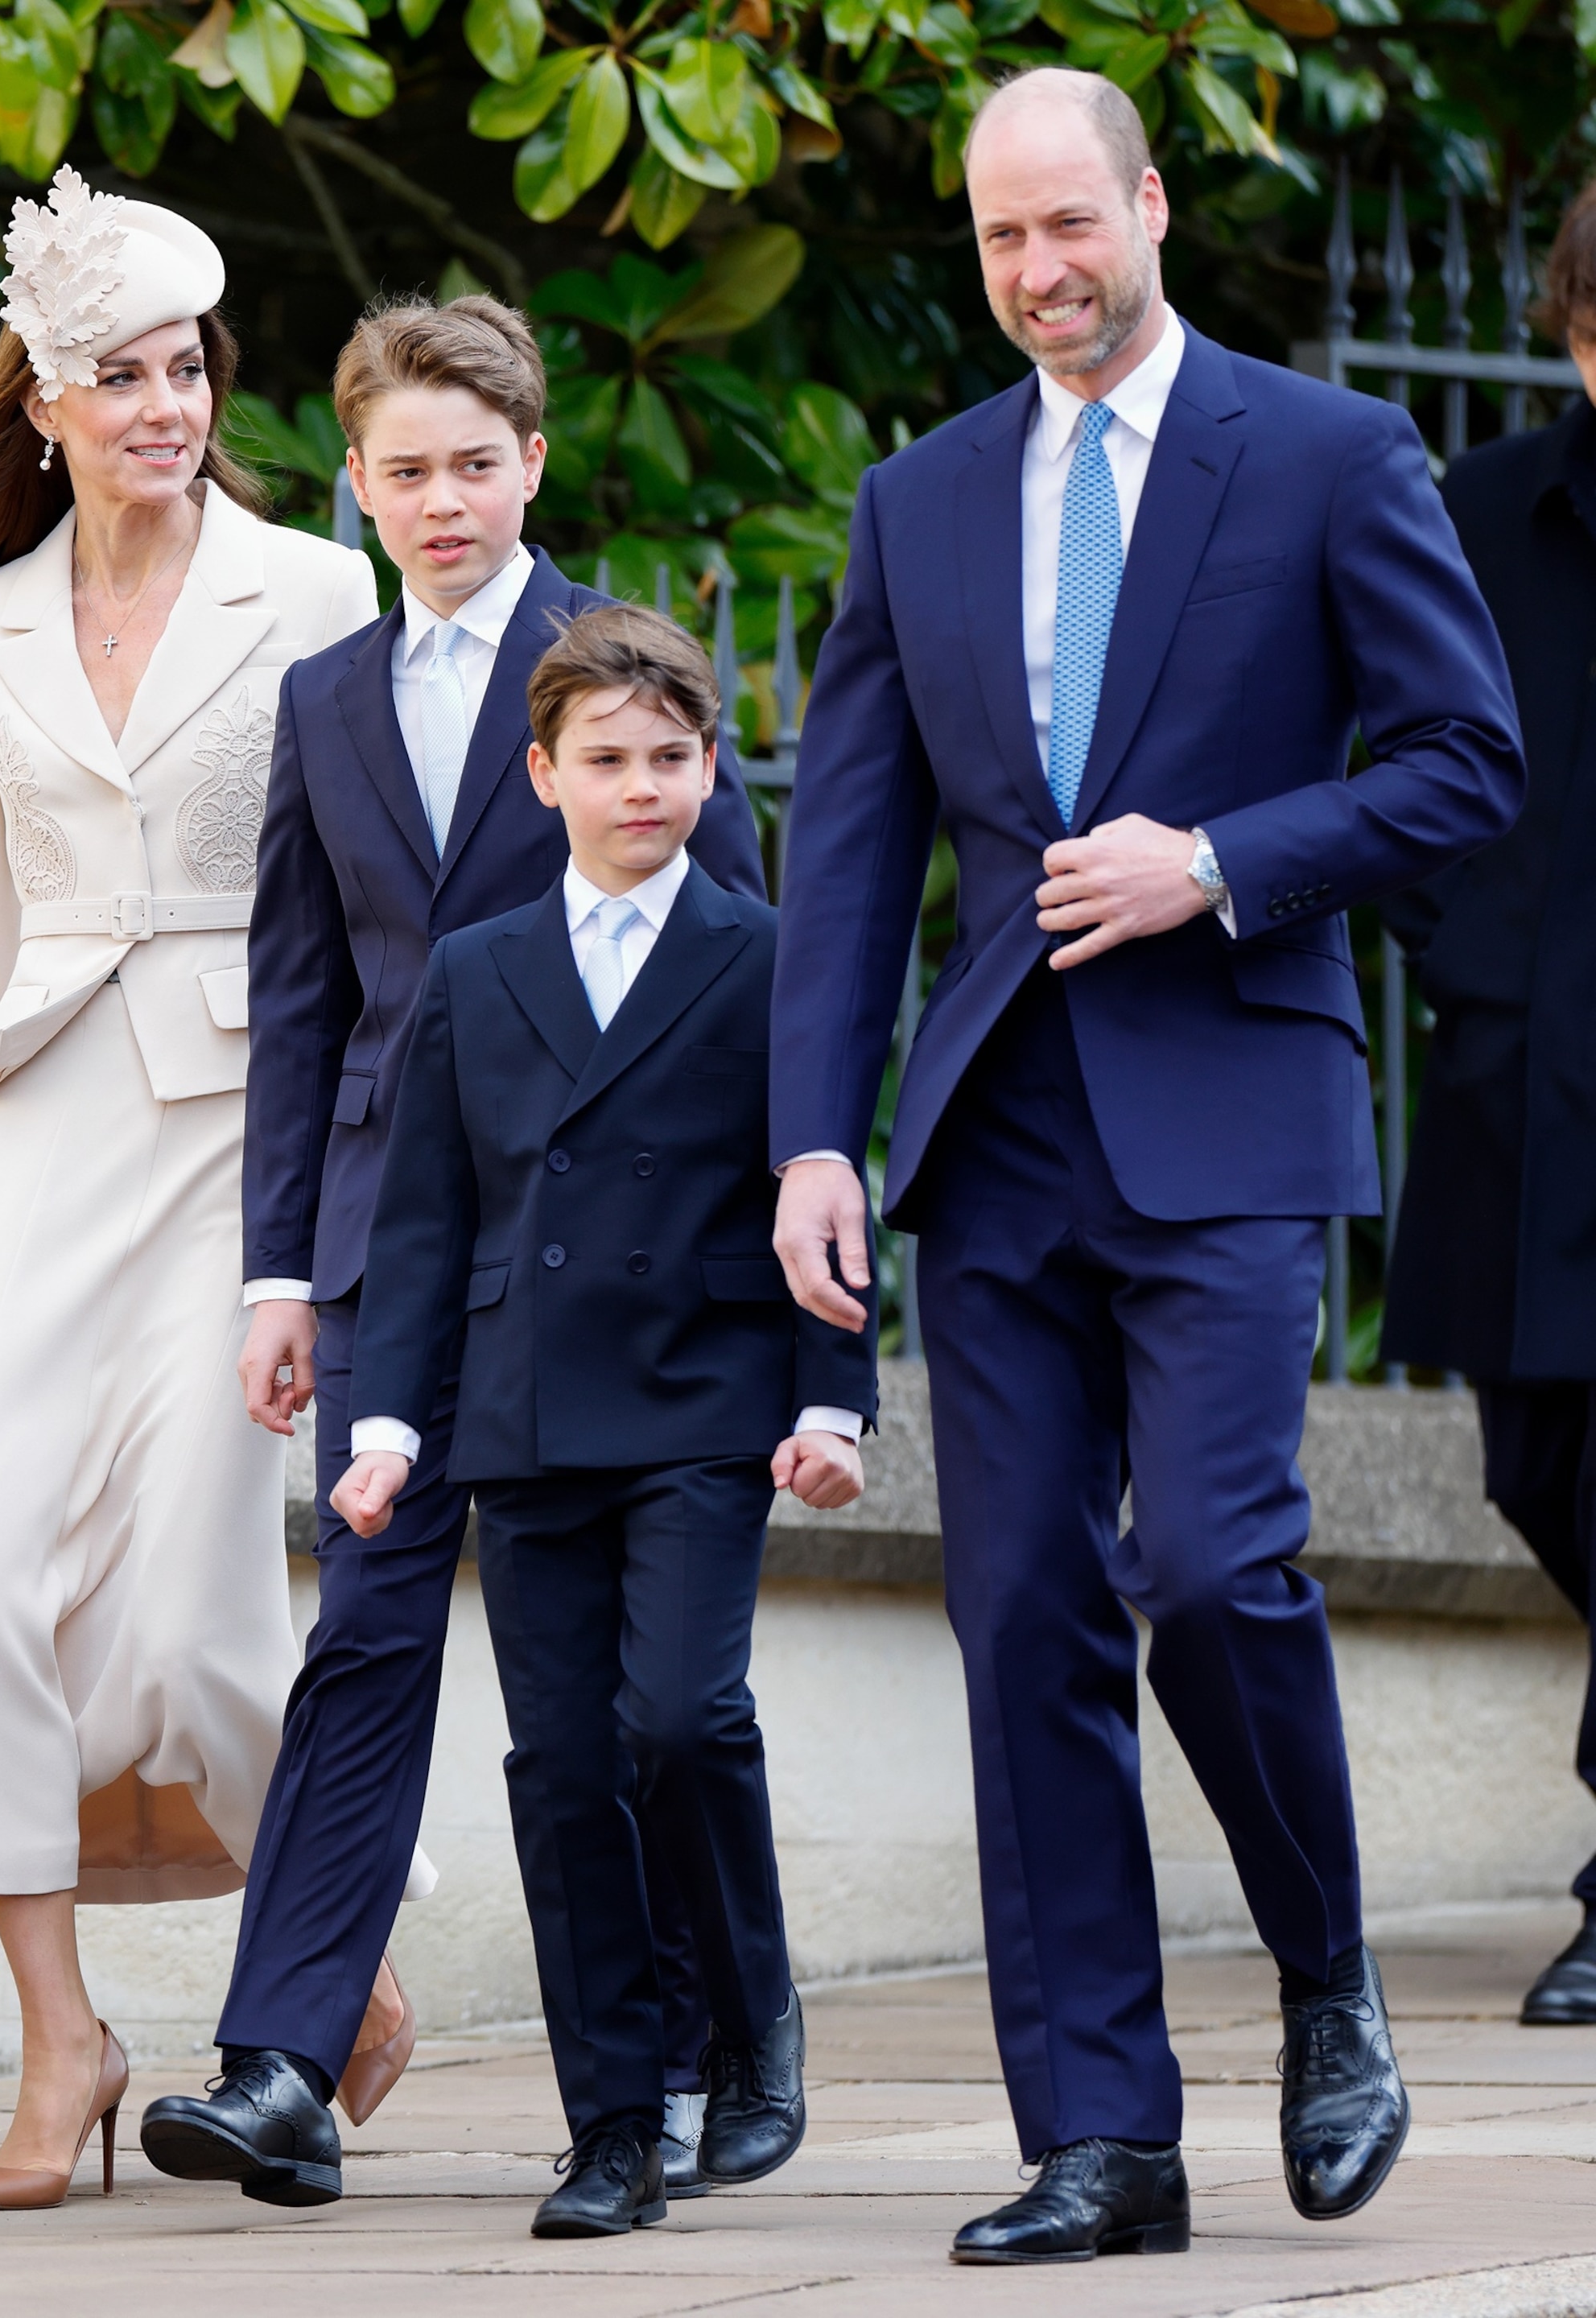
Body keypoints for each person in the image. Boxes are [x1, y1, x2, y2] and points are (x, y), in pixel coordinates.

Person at [766, 68, 1525, 2264]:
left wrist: (1217, 859)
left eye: (1070, 225)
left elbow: (1466, 764)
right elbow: (852, 852)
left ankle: (1327, 1974)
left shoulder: (1326, 454)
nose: (1039, 272)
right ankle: (1102, 2138)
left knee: (1209, 1561)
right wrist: (815, 1135)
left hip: (1234, 1106)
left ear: (1154, 206)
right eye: (1002, 238)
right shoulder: (918, 498)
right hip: (998, 1131)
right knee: (1017, 1616)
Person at [137, 296, 768, 2207]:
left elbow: (738, 972)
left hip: (616, 1275)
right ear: (355, 481)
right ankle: (282, 2062)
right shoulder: (325, 696)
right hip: (385, 1259)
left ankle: (692, 2056)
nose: (441, 503)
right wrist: (280, 1271)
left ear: (533, 467)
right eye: (405, 472)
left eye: (475, 467)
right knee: (368, 1639)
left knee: (635, 1712)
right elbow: (302, 996)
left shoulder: (625, 686)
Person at [0, 169, 380, 2211]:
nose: (166, 407)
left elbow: (373, 898)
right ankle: (64, 2043)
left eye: (188, 369)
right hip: (44, 1132)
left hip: (251, 1139)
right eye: (119, 377)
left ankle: (330, 1968)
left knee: (192, 1626)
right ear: (42, 405)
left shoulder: (316, 590)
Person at [324, 606, 876, 2238]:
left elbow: (824, 1189)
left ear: (710, 772)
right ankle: (615, 2125)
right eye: (608, 758)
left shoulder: (772, 957)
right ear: (543, 774)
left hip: (709, 1399)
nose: (642, 786)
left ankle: (752, 2024)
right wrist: (386, 1428)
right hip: (525, 1412)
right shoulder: (476, 968)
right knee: (564, 1768)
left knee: (683, 1722)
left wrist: (834, 1399)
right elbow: (423, 1221)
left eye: (671, 758)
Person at [1382, 177, 1596, 2027]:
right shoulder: (1483, 509)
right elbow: (1385, 751)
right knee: (1534, 1468)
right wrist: (1459, 942)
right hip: (1526, 1083)